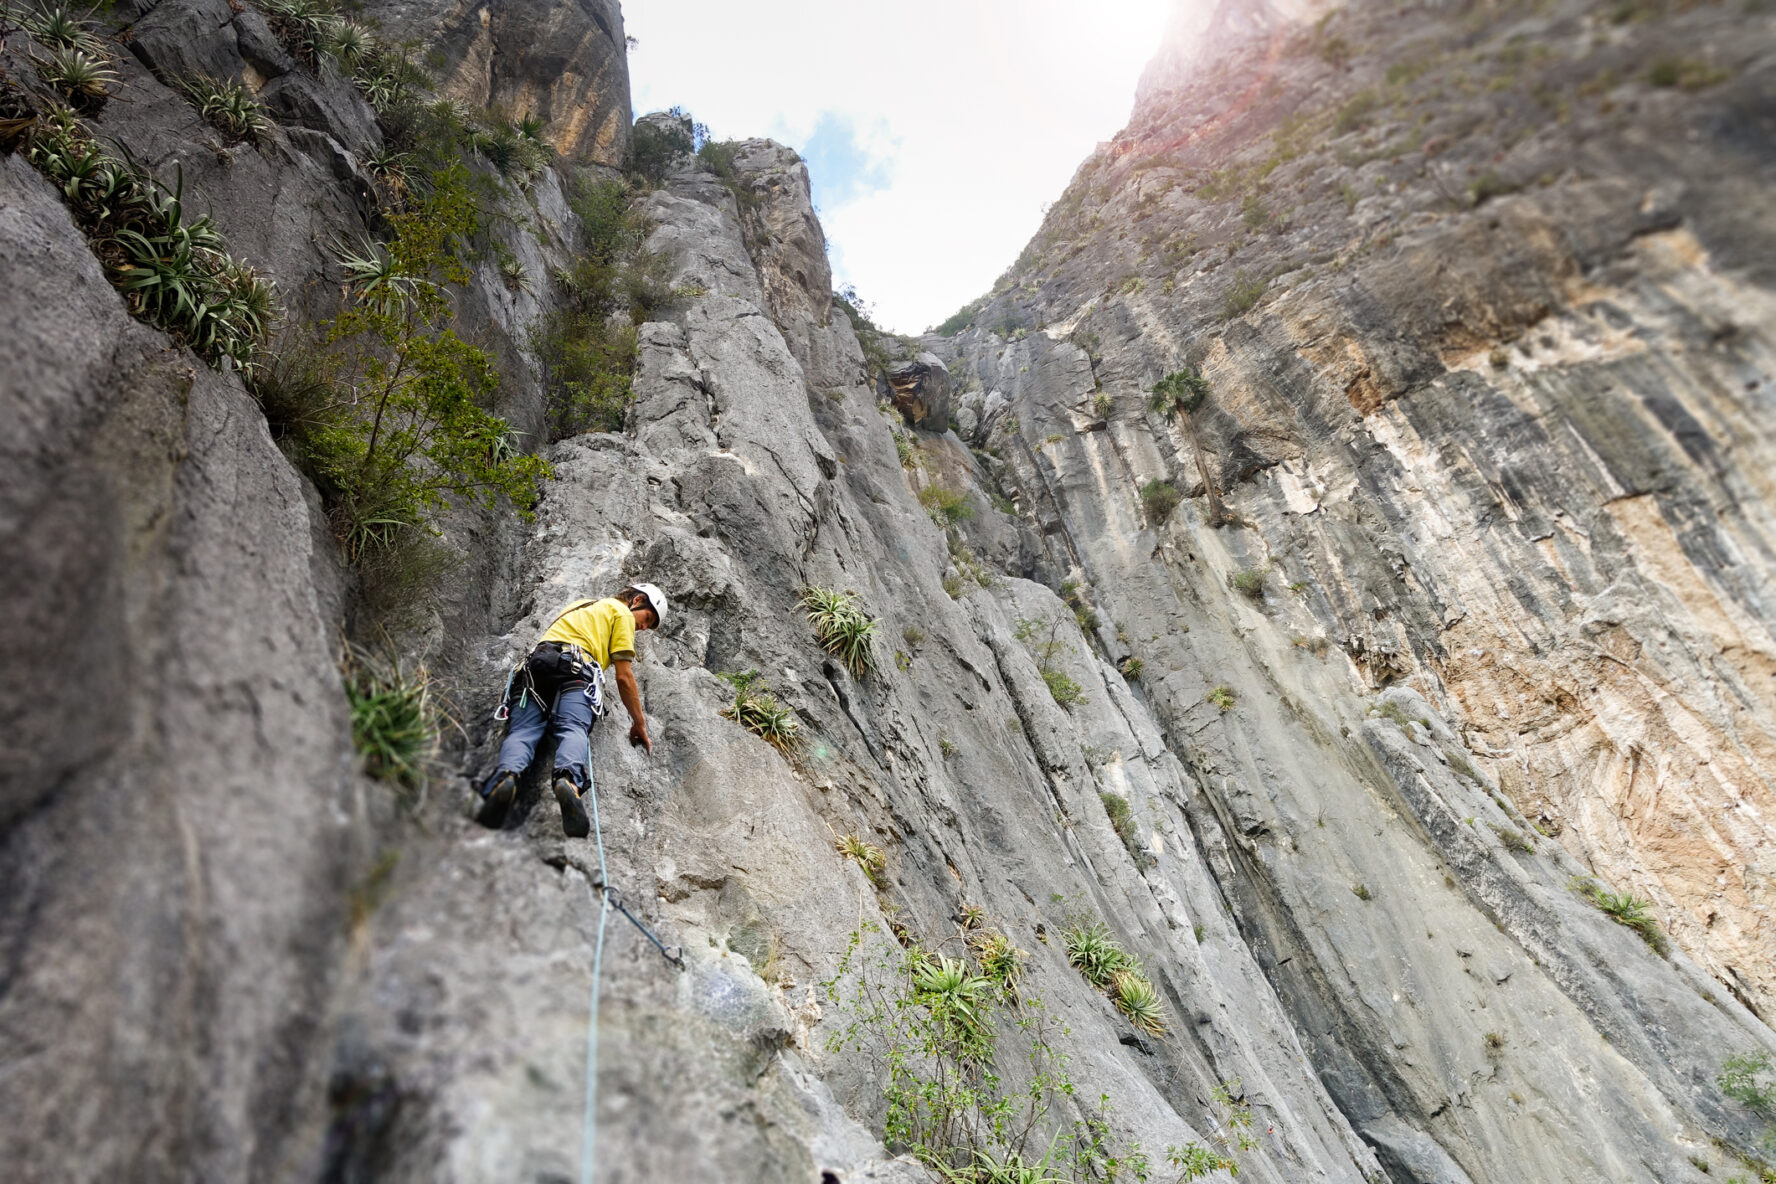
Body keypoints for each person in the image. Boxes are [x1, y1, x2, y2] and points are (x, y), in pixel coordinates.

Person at [479, 583, 666, 836]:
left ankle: (506, 777)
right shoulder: (620, 613)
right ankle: (568, 781)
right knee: (573, 728)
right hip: (577, 671)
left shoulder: (579, 606)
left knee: (522, 731)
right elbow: (624, 677)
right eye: (647, 619)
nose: (643, 627)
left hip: (535, 668)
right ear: (637, 600)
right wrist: (639, 722)